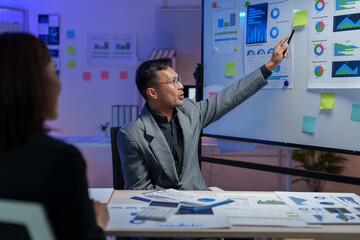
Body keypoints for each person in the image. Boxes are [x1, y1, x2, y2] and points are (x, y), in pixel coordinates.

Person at [118, 36, 290, 190]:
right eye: (173, 82)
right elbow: (139, 190)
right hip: (163, 212)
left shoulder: (190, 111)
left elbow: (230, 97)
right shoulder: (133, 134)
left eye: (178, 80)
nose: (180, 86)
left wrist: (271, 65)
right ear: (152, 93)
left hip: (199, 200)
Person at [0, 33, 109, 239]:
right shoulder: (60, 161)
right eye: (55, 72)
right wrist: (98, 226)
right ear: (36, 83)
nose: (60, 84)